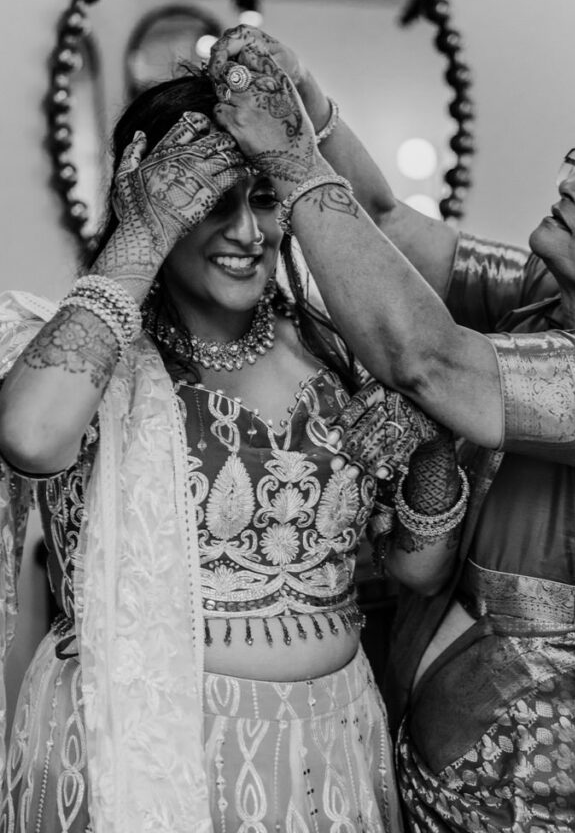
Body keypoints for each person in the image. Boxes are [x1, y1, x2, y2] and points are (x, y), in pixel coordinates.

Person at [208, 25, 575, 833]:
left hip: (535, 783)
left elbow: (426, 360)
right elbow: (387, 220)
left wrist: (291, 165)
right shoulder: (541, 300)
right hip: (428, 729)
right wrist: (307, 99)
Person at [0, 71, 469, 832]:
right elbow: (28, 437)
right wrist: (143, 231)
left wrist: (431, 446)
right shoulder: (84, 354)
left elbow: (418, 570)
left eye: (261, 199)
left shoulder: (339, 350)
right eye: (211, 202)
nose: (248, 233)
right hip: (145, 740)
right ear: (147, 198)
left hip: (330, 744)